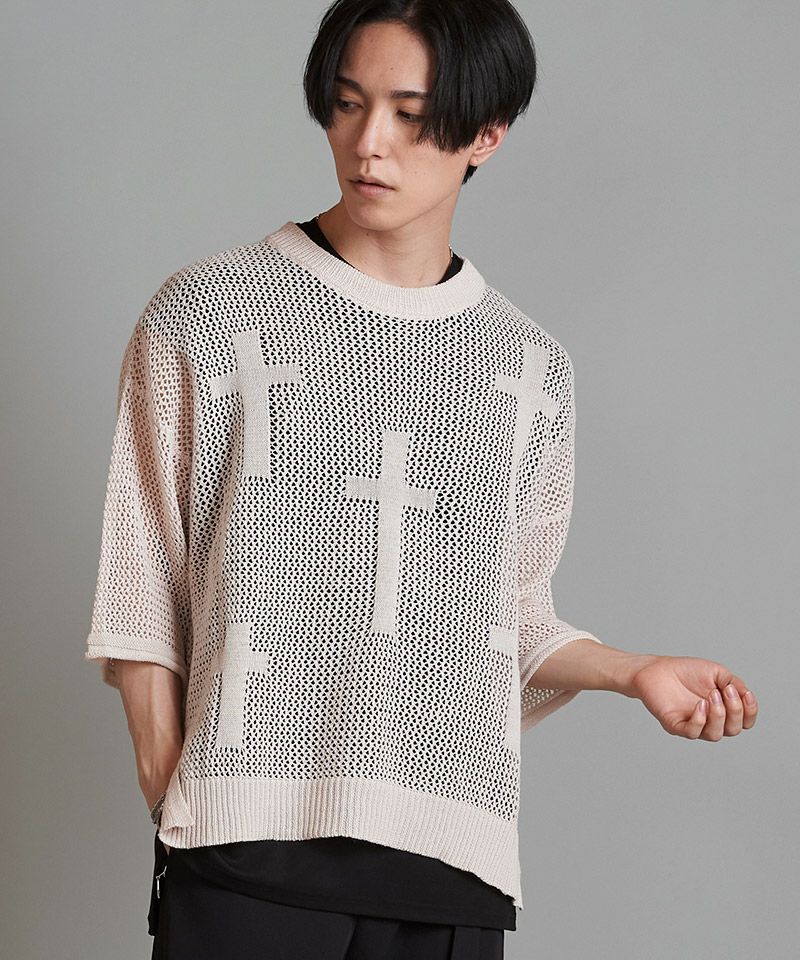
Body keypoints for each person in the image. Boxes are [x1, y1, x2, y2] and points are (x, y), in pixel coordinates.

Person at [83, 2, 759, 958]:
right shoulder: (208, 314)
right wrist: (168, 783)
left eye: (411, 114)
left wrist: (631, 671)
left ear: (487, 134)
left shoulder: (527, 369)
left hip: (448, 868)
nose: (370, 143)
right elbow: (140, 574)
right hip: (244, 850)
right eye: (348, 104)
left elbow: (505, 617)